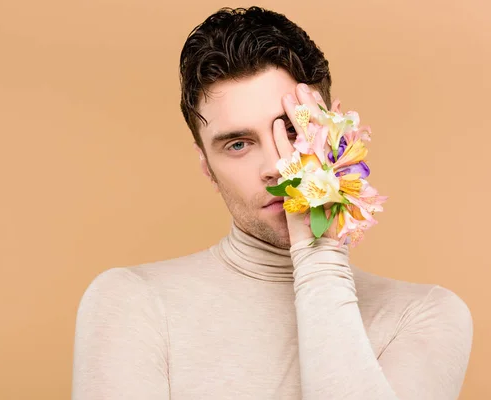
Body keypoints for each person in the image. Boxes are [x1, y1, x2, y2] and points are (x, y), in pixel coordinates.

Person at [71, 6, 473, 399]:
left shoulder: (425, 314)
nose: (278, 166)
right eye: (239, 144)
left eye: (295, 131)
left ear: (339, 135)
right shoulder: (131, 303)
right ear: (207, 166)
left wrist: (319, 254)